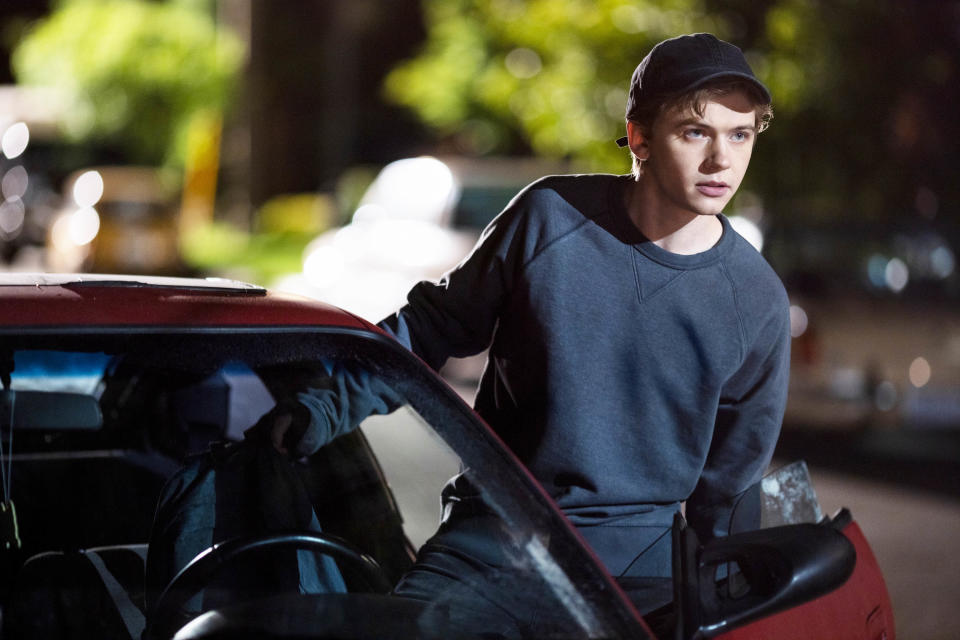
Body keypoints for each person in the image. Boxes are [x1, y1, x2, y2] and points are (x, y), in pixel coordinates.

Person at [258, 32, 791, 625]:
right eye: (696, 132)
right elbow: (431, 326)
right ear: (639, 137)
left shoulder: (757, 299)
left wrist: (724, 607)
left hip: (640, 573)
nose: (722, 160)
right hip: (495, 539)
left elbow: (731, 492)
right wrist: (321, 406)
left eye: (739, 134)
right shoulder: (550, 219)